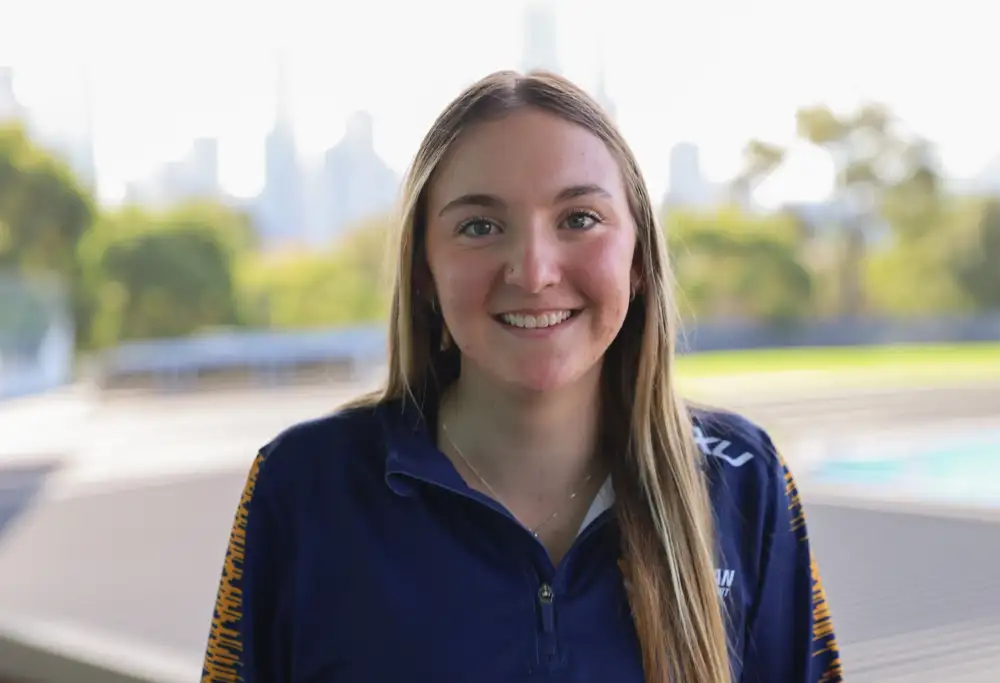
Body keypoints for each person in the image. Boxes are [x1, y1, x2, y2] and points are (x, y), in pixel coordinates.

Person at [200, 70, 843, 683]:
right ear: (423, 270)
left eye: (579, 219)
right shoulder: (305, 489)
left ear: (640, 257)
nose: (533, 271)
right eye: (480, 226)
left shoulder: (744, 481)